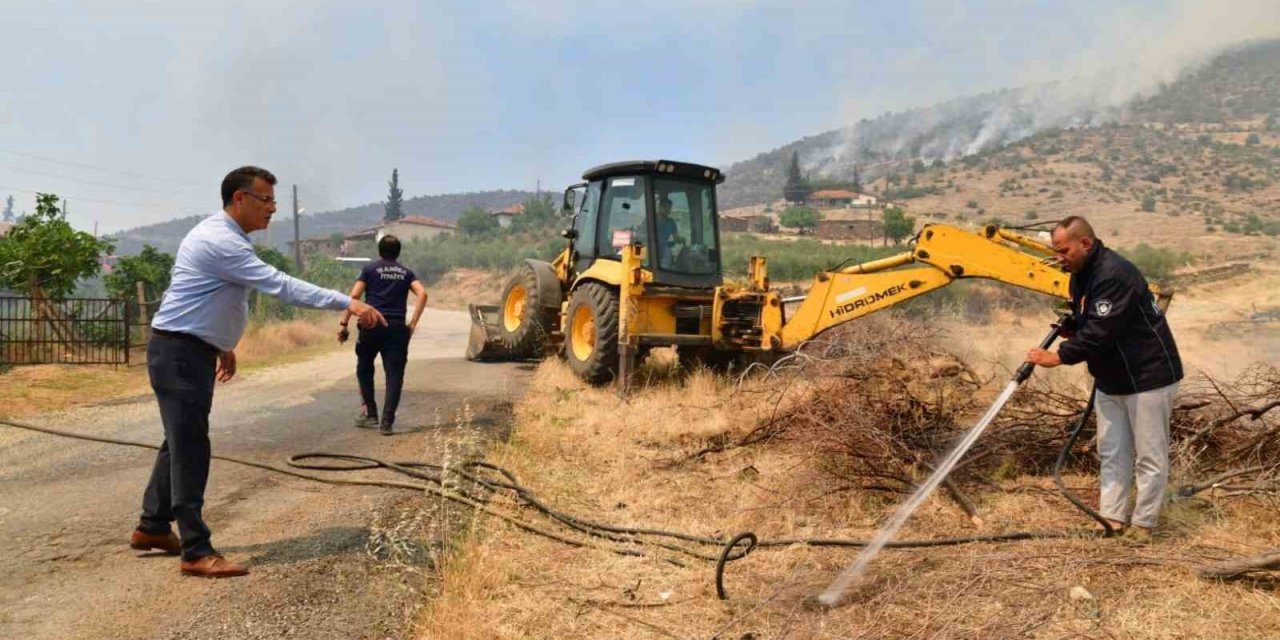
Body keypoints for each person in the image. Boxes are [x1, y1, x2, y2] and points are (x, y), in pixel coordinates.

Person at [130, 166, 386, 578]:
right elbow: (280, 284)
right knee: (190, 447)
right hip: (178, 353)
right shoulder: (221, 242)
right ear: (239, 199)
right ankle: (195, 550)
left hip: (185, 348)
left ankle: (152, 526)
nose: (272, 209)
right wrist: (347, 303)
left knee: (180, 439)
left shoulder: (226, 237)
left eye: (273, 201)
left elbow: (207, 296)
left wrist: (220, 343)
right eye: (265, 200)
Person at [1026, 216, 1183, 543]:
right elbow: (1089, 320)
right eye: (1056, 251)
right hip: (1111, 378)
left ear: (1085, 243)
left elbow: (1102, 331)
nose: (1059, 257)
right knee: (1113, 451)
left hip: (1147, 376)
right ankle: (1112, 519)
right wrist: (1071, 328)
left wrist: (1059, 355)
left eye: (1063, 250)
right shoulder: (1079, 275)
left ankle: (1143, 525)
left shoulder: (1115, 273)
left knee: (1149, 455)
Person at [337, 234, 427, 435]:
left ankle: (370, 414)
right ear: (398, 252)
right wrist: (412, 324)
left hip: (371, 324)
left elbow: (354, 296)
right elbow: (423, 293)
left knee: (364, 367)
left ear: (379, 251)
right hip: (396, 328)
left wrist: (344, 324)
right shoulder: (406, 273)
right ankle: (387, 423)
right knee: (394, 375)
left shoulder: (370, 270)